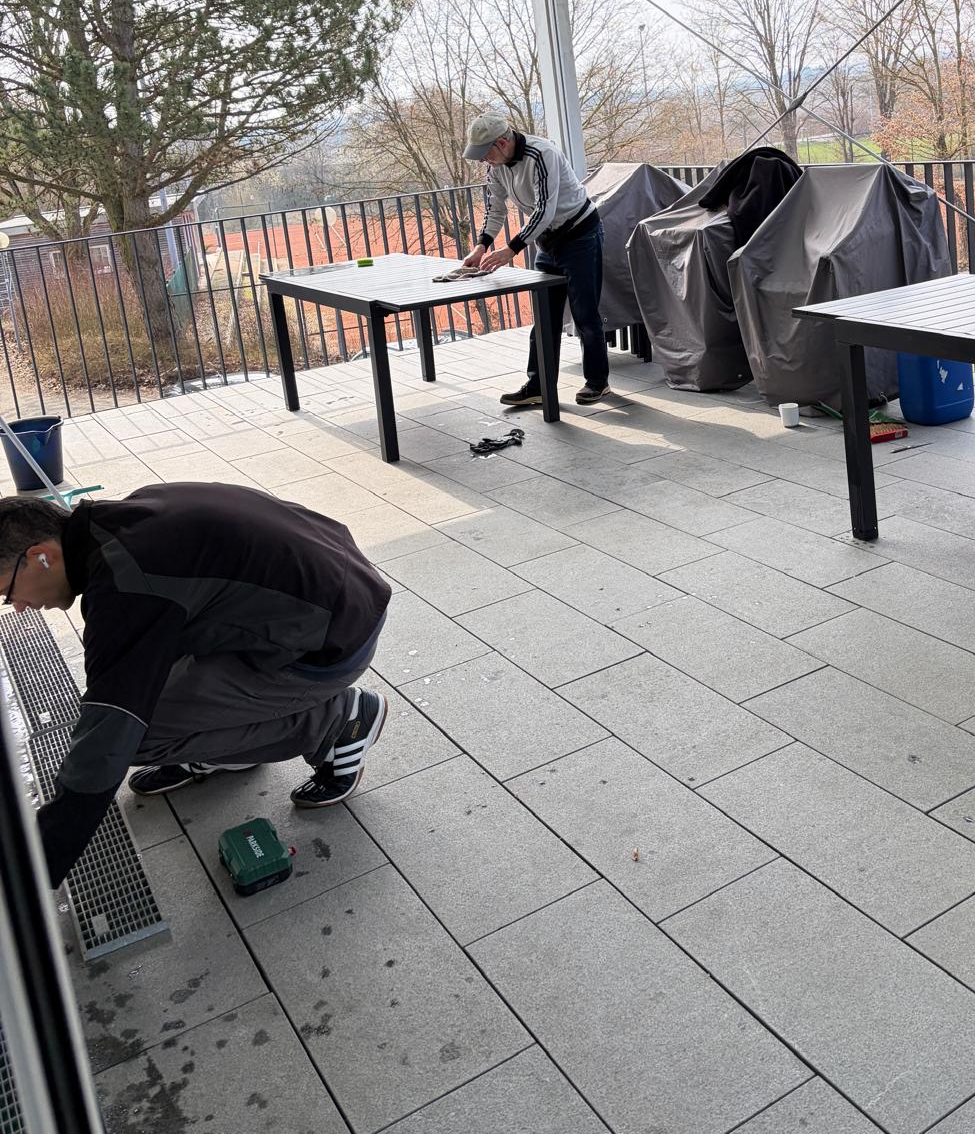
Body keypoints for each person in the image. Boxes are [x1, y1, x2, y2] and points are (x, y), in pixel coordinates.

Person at [0, 482, 391, 887]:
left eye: (7, 593)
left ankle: (335, 722)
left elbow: (110, 732)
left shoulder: (127, 581)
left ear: (40, 557)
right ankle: (224, 746)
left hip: (329, 646)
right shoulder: (120, 519)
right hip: (339, 590)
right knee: (130, 679)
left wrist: (35, 867)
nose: (18, 607)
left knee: (137, 738)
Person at [461, 109, 612, 408]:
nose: (482, 161)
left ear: (502, 144)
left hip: (581, 234)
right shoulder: (496, 167)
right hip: (548, 240)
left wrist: (511, 249)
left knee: (585, 314)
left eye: (484, 153)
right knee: (544, 316)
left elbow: (545, 208)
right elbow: (496, 209)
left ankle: (597, 382)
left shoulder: (543, 154)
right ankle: (538, 386)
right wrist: (481, 245)